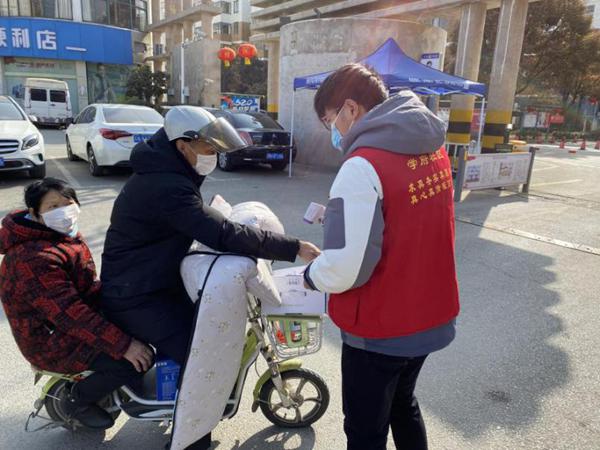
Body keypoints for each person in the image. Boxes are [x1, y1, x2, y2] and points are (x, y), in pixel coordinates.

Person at [100, 106, 320, 449]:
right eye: (208, 147)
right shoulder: (166, 184)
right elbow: (221, 232)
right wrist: (293, 247)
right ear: (182, 144)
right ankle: (192, 439)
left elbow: (205, 222)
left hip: (153, 282)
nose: (213, 155)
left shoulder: (169, 169)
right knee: (200, 352)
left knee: (205, 328)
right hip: (135, 294)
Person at [303, 64, 460, 450]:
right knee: (404, 405)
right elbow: (409, 220)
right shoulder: (433, 148)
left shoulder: (362, 166)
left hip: (380, 327)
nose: (332, 132)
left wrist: (310, 275)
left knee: (365, 431)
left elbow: (345, 268)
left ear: (350, 108)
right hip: (429, 314)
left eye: (329, 121)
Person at [0, 178, 153, 430]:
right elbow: (70, 315)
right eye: (53, 207)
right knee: (131, 363)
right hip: (52, 341)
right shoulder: (33, 258)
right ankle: (76, 401)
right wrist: (124, 345)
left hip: (72, 323)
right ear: (34, 213)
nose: (64, 211)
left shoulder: (58, 236)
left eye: (67, 202)